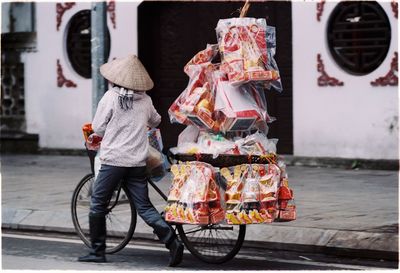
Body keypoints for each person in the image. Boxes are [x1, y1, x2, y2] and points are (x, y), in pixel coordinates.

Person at [78, 55, 184, 267]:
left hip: (114, 161)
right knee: (144, 206)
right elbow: (156, 120)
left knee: (98, 203)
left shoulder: (110, 97)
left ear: (115, 78)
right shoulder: (145, 100)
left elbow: (98, 127)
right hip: (137, 162)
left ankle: (98, 251)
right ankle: (173, 242)